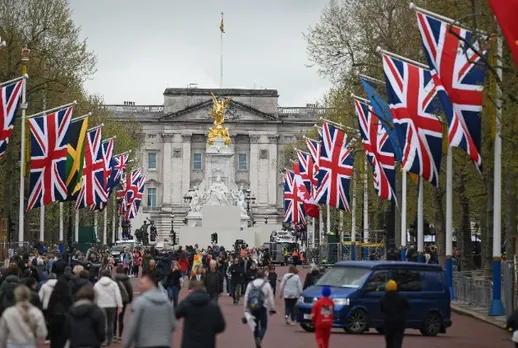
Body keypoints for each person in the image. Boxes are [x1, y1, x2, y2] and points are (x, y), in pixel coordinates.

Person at [123, 272, 176, 348]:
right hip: (164, 343)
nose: (138, 286)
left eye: (141, 283)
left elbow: (133, 325)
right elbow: (173, 325)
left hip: (144, 343)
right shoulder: (166, 302)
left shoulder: (140, 302)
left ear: (149, 283)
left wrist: (127, 343)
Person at [175, 279, 226, 348]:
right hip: (207, 343)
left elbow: (175, 314)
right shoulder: (213, 306)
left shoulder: (187, 303)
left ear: (191, 290)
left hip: (189, 343)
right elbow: (221, 326)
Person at [243, 269, 276, 348]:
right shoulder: (266, 284)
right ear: (263, 276)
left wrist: (246, 309)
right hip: (262, 307)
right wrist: (272, 308)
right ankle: (260, 338)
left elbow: (246, 297)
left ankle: (256, 341)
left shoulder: (251, 284)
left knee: (255, 325)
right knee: (264, 325)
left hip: (253, 307)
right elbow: (270, 297)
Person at [94, 269, 123, 345]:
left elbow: (95, 295)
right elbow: (117, 294)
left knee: (102, 323)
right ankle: (109, 339)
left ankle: (103, 340)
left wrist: (94, 304)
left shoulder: (97, 284)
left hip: (101, 305)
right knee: (110, 323)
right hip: (111, 305)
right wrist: (120, 305)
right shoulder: (113, 284)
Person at [380, 280, 409, 348]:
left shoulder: (383, 298)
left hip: (388, 322)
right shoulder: (401, 297)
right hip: (399, 322)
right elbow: (408, 306)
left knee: (389, 341)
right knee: (398, 340)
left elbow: (382, 309)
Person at [47, 278, 72, 348]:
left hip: (55, 317)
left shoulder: (54, 294)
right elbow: (70, 306)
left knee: (54, 337)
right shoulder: (67, 295)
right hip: (64, 317)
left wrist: (48, 318)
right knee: (63, 337)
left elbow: (50, 306)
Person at [114, 265, 133, 343]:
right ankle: (120, 337)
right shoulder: (126, 279)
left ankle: (114, 335)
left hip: (115, 300)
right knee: (121, 318)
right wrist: (130, 299)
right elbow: (130, 290)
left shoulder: (114, 279)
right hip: (123, 300)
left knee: (114, 318)